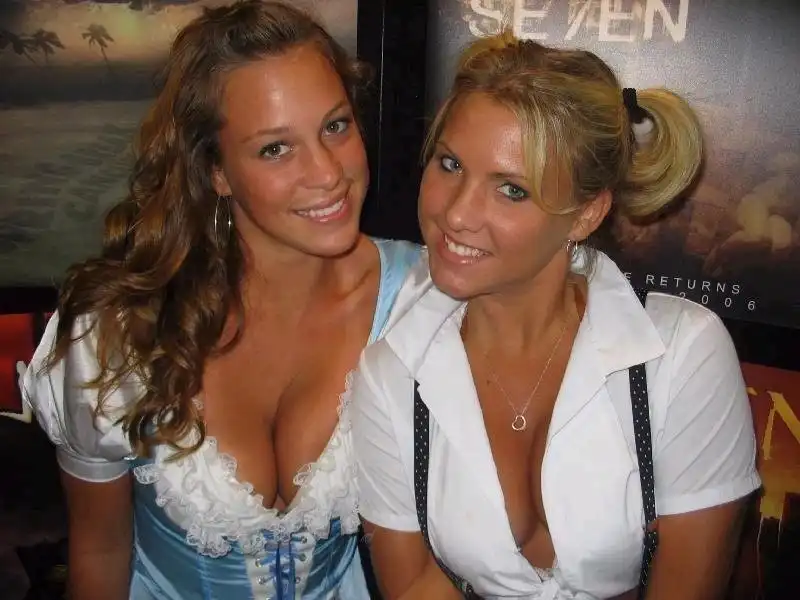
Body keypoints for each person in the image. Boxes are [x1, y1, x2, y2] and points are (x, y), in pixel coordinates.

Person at [20, 1, 420, 598]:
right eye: (275, 148)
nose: (327, 173)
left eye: (336, 126)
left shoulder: (416, 299)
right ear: (217, 171)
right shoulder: (116, 335)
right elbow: (101, 550)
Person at [350, 32, 761, 600]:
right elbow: (415, 585)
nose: (457, 213)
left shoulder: (680, 354)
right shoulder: (392, 373)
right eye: (450, 164)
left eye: (511, 190)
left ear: (586, 214)